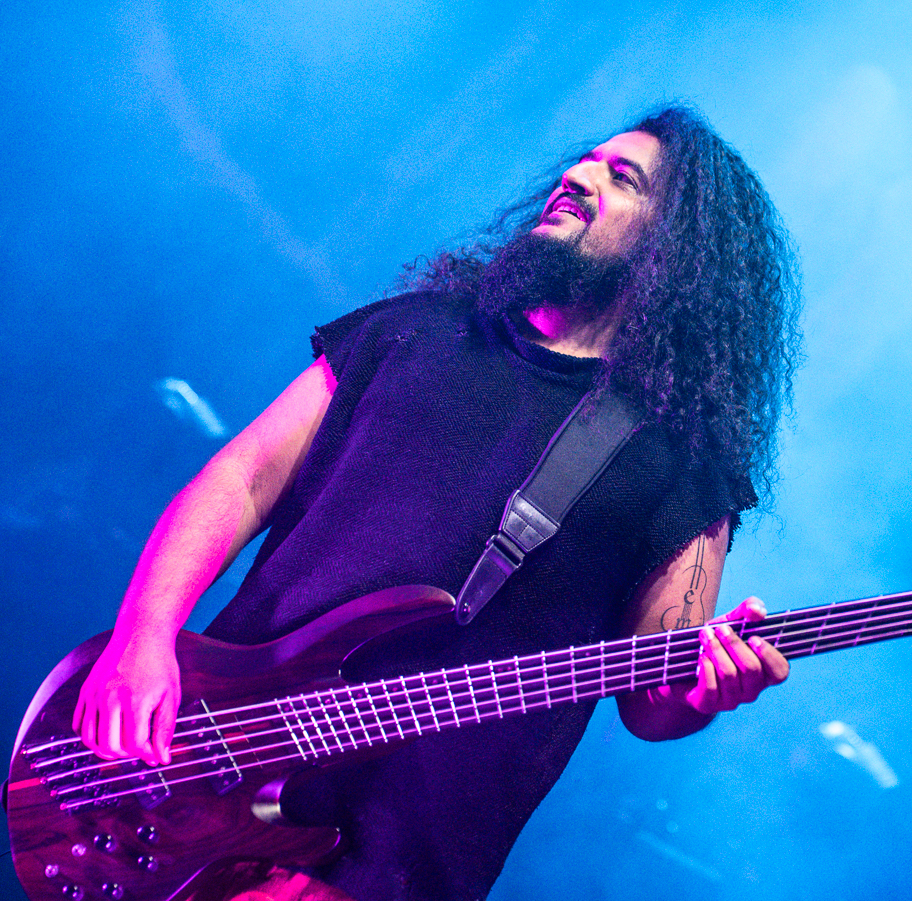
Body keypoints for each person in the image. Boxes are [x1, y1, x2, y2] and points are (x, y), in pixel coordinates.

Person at [71, 106, 802, 900]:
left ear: (675, 252)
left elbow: (655, 693)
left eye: (621, 178)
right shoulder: (414, 332)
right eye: (585, 160)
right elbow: (240, 480)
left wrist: (702, 692)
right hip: (198, 767)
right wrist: (142, 637)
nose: (577, 175)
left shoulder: (685, 465)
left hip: (394, 867)